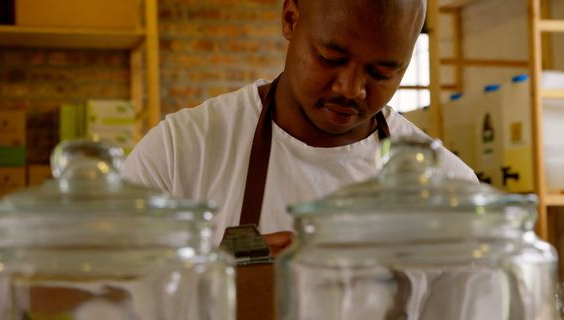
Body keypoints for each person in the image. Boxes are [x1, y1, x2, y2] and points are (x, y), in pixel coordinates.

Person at [122, 0, 478, 255]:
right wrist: (209, 284)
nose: (351, 88)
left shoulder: (449, 187)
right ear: (291, 18)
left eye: (382, 72)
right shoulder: (178, 152)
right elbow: (113, 306)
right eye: (330, 58)